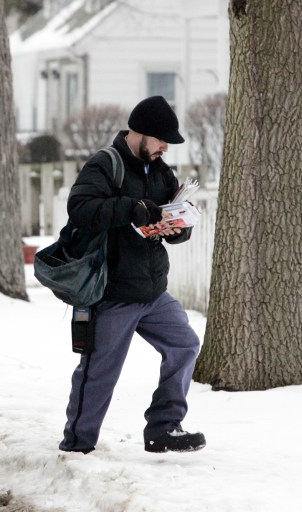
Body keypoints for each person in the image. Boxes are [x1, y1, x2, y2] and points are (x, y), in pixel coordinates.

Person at [59, 96, 205, 454]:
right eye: (160, 140)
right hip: (113, 291)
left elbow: (170, 214)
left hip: (153, 292)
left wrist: (178, 227)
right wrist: (131, 210)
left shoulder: (160, 171)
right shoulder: (105, 165)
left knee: (184, 345)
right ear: (140, 134)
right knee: (99, 373)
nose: (165, 148)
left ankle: (163, 428)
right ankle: (77, 446)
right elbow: (80, 209)